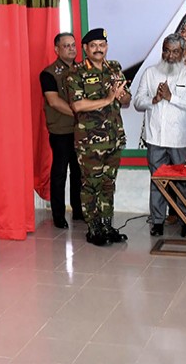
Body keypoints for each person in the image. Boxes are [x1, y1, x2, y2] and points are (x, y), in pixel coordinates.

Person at [67, 28, 131, 246]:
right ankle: (93, 228)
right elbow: (77, 105)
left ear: (107, 46)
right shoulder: (76, 73)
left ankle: (106, 224)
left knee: (108, 184)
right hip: (89, 141)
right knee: (90, 185)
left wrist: (122, 96)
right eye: (93, 46)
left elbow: (125, 100)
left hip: (114, 137)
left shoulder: (114, 68)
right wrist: (108, 99)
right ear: (86, 49)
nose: (98, 49)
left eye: (102, 45)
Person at [133, 34, 186, 237]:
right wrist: (153, 100)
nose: (170, 55)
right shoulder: (150, 73)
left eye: (174, 51)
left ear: (182, 53)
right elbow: (138, 101)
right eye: (166, 50)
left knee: (184, 183)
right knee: (157, 181)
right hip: (155, 139)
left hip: (181, 140)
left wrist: (172, 97)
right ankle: (157, 221)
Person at [39, 32, 83, 229]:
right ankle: (58, 215)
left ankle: (79, 211)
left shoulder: (82, 70)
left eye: (73, 45)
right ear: (56, 50)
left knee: (79, 171)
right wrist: (79, 114)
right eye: (66, 46)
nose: (72, 48)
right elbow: (54, 101)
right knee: (60, 173)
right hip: (61, 131)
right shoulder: (48, 73)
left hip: (80, 130)